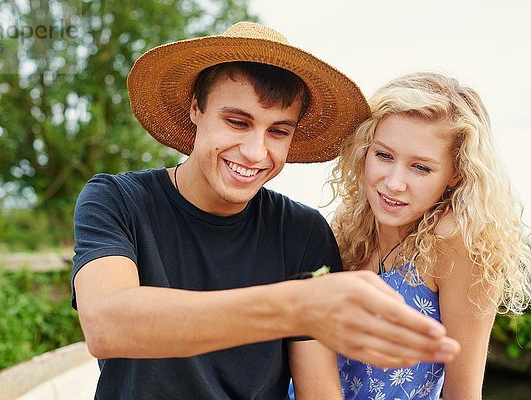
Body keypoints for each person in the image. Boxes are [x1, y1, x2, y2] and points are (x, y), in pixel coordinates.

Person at [71, 22, 460, 399]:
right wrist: (295, 307)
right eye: (237, 122)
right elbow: (107, 324)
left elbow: (318, 390)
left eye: (278, 131)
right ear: (196, 109)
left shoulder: (302, 231)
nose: (256, 153)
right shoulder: (117, 200)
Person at [325, 71, 531, 399]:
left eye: (420, 168)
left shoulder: (455, 241)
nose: (393, 182)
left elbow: (462, 394)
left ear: (455, 174)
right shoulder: (351, 227)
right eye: (384, 155)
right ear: (365, 151)